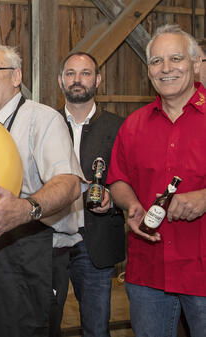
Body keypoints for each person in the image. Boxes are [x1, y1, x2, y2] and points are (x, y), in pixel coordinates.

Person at [0, 43, 83, 337]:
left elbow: (69, 183)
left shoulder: (42, 120)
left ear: (16, 77)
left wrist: (26, 208)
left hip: (33, 260)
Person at [107, 24, 206, 337]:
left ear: (196, 64)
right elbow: (118, 180)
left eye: (176, 58)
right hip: (148, 272)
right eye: (156, 61)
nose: (166, 69)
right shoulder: (134, 125)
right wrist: (131, 204)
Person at [57, 52, 126, 337]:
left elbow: (129, 180)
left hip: (94, 241)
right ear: (61, 80)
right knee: (42, 323)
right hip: (51, 241)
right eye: (70, 73)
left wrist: (112, 199)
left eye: (85, 73)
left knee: (96, 329)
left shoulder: (119, 127)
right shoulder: (45, 123)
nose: (77, 79)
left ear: (97, 80)